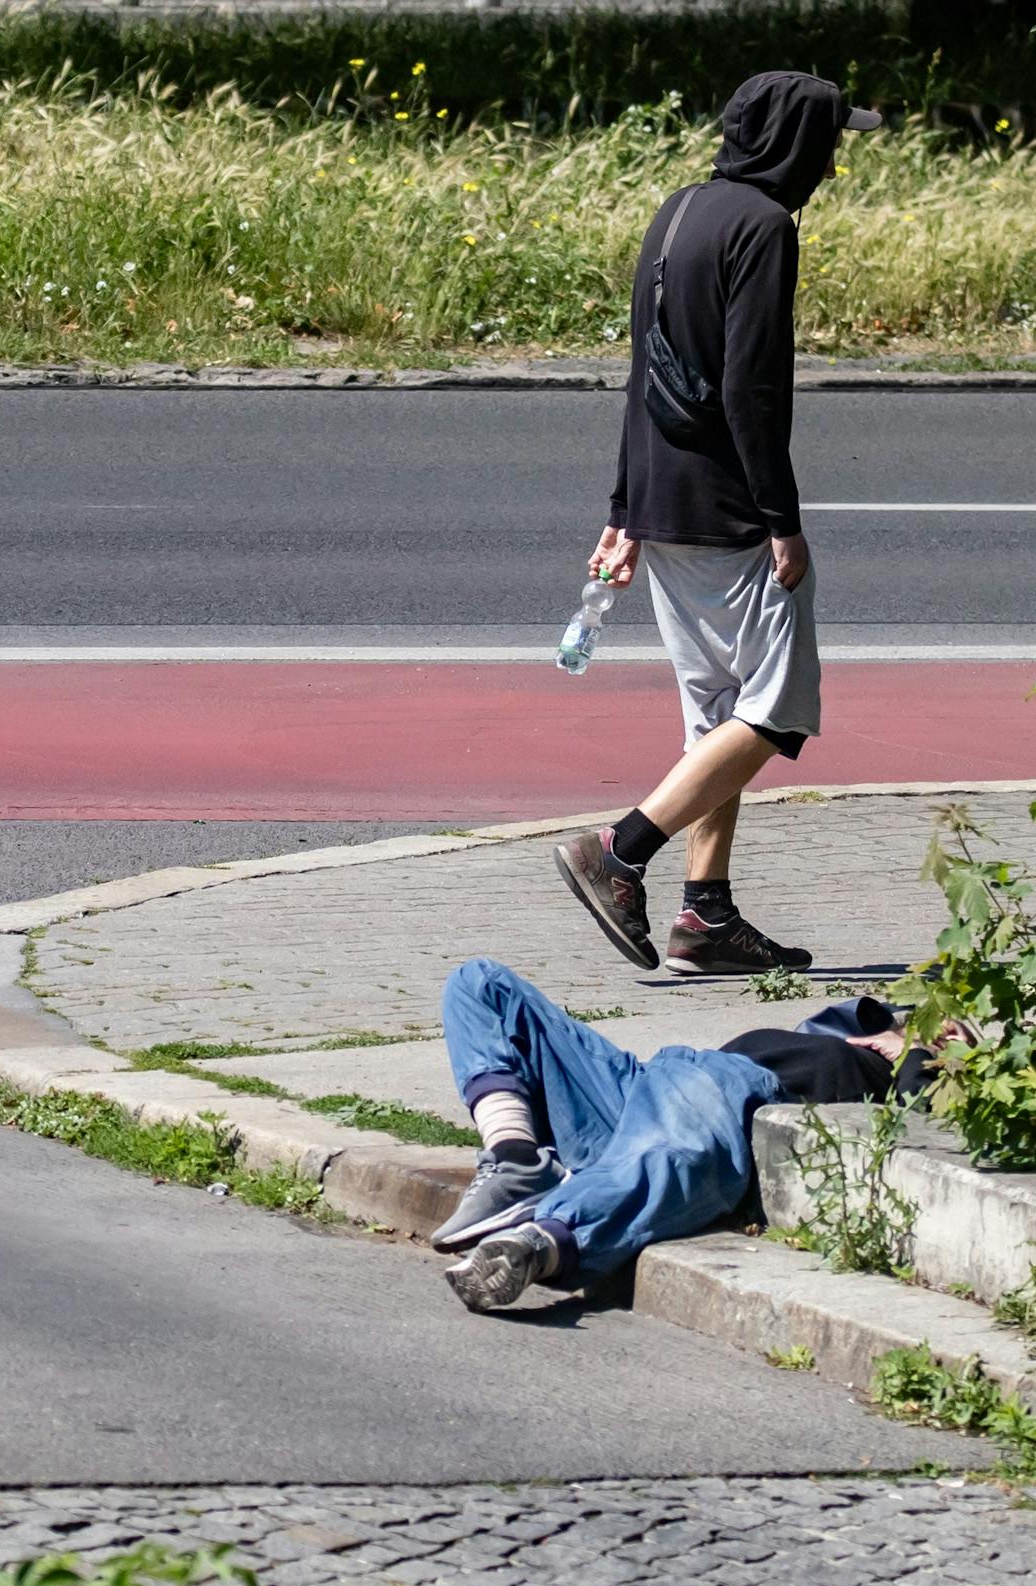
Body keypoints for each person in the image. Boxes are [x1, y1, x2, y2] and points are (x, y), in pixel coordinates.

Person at [558, 72, 883, 978]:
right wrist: (782, 520)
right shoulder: (765, 227)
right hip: (733, 509)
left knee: (716, 717)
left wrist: (624, 510)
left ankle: (706, 916)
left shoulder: (679, 209)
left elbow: (641, 371)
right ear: (794, 144)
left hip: (665, 502)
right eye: (829, 141)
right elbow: (751, 388)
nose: (833, 159)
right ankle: (618, 852)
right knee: (774, 715)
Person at [430, 957, 946, 1313]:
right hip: (658, 1080)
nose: (943, 1032)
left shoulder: (911, 1071)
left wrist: (922, 1057)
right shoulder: (852, 1031)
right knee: (480, 983)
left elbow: (918, 1131)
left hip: (730, 1098)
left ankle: (541, 1244)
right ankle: (516, 1157)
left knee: (664, 1158)